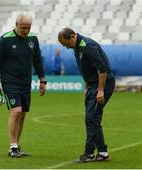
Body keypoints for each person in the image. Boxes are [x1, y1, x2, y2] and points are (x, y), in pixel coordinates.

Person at [0, 12, 47, 158]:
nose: (26, 30)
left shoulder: (33, 39)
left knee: (22, 114)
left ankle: (16, 146)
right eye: (23, 28)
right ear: (16, 25)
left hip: (26, 83)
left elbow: (37, 60)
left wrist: (42, 80)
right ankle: (12, 146)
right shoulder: (5, 39)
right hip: (10, 82)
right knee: (16, 111)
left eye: (28, 27)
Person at [58, 27, 115, 163]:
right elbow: (87, 69)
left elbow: (102, 69)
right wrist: (87, 86)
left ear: (72, 36)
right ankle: (102, 153)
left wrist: (100, 90)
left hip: (103, 83)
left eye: (66, 44)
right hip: (93, 85)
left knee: (91, 118)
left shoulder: (88, 46)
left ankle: (89, 154)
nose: (66, 48)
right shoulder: (77, 47)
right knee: (93, 118)